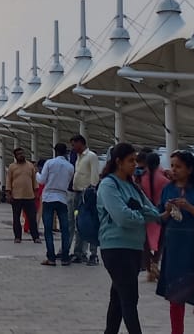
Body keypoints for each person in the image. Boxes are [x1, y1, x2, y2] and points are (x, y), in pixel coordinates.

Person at [96, 143, 161, 334]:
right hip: (115, 248)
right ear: (118, 162)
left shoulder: (132, 185)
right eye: (130, 160)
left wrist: (139, 213)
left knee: (118, 297)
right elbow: (121, 217)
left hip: (133, 247)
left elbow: (152, 210)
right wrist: (140, 216)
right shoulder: (109, 184)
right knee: (129, 298)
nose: (135, 164)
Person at [157, 151, 194, 334]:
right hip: (175, 249)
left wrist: (189, 208)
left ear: (189, 169)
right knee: (175, 299)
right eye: (172, 165)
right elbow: (160, 218)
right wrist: (167, 211)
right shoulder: (168, 189)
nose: (174, 170)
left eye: (178, 166)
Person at [37, 142, 76, 266]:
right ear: (66, 152)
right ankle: (65, 257)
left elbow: (42, 180)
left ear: (55, 151)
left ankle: (51, 258)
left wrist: (36, 173)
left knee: (48, 229)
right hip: (62, 198)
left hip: (49, 197)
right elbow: (70, 183)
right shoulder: (70, 167)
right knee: (65, 229)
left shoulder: (49, 163)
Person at [70, 134, 101, 265]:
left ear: (80, 143)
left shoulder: (91, 156)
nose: (72, 148)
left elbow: (94, 176)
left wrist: (91, 192)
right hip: (77, 193)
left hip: (87, 194)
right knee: (79, 223)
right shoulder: (78, 158)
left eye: (74, 144)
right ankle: (79, 253)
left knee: (91, 222)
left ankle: (93, 254)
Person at [138, 151, 169, 282]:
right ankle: (155, 263)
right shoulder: (164, 180)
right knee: (160, 242)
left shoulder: (141, 178)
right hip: (160, 213)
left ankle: (150, 268)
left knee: (145, 243)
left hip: (145, 213)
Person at [7, 147, 41, 244]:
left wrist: (36, 192)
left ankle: (36, 237)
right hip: (16, 197)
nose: (21, 155)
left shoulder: (30, 166)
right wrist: (8, 193)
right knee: (16, 218)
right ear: (15, 156)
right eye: (19, 154)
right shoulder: (12, 167)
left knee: (32, 218)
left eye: (22, 153)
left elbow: (34, 180)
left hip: (29, 196)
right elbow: (8, 180)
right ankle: (17, 237)